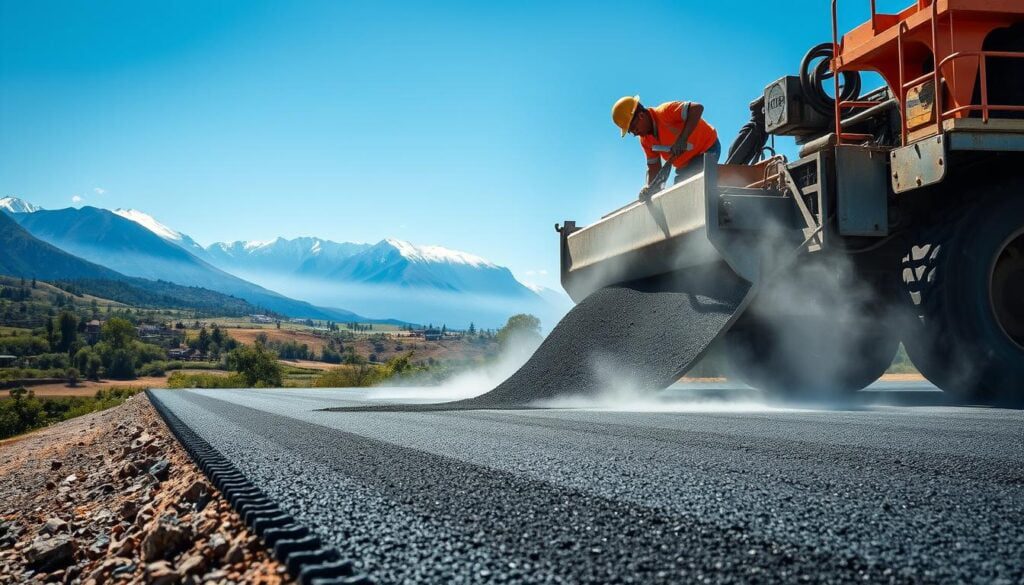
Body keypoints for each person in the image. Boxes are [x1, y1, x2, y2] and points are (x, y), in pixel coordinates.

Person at [611, 95, 721, 200]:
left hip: (707, 149)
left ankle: (720, 206)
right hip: (685, 165)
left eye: (634, 128)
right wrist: (649, 188)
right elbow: (654, 167)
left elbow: (697, 108)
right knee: (679, 193)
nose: (635, 133)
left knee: (688, 188)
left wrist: (682, 139)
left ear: (641, 116)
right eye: (631, 131)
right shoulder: (645, 141)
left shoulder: (665, 112)